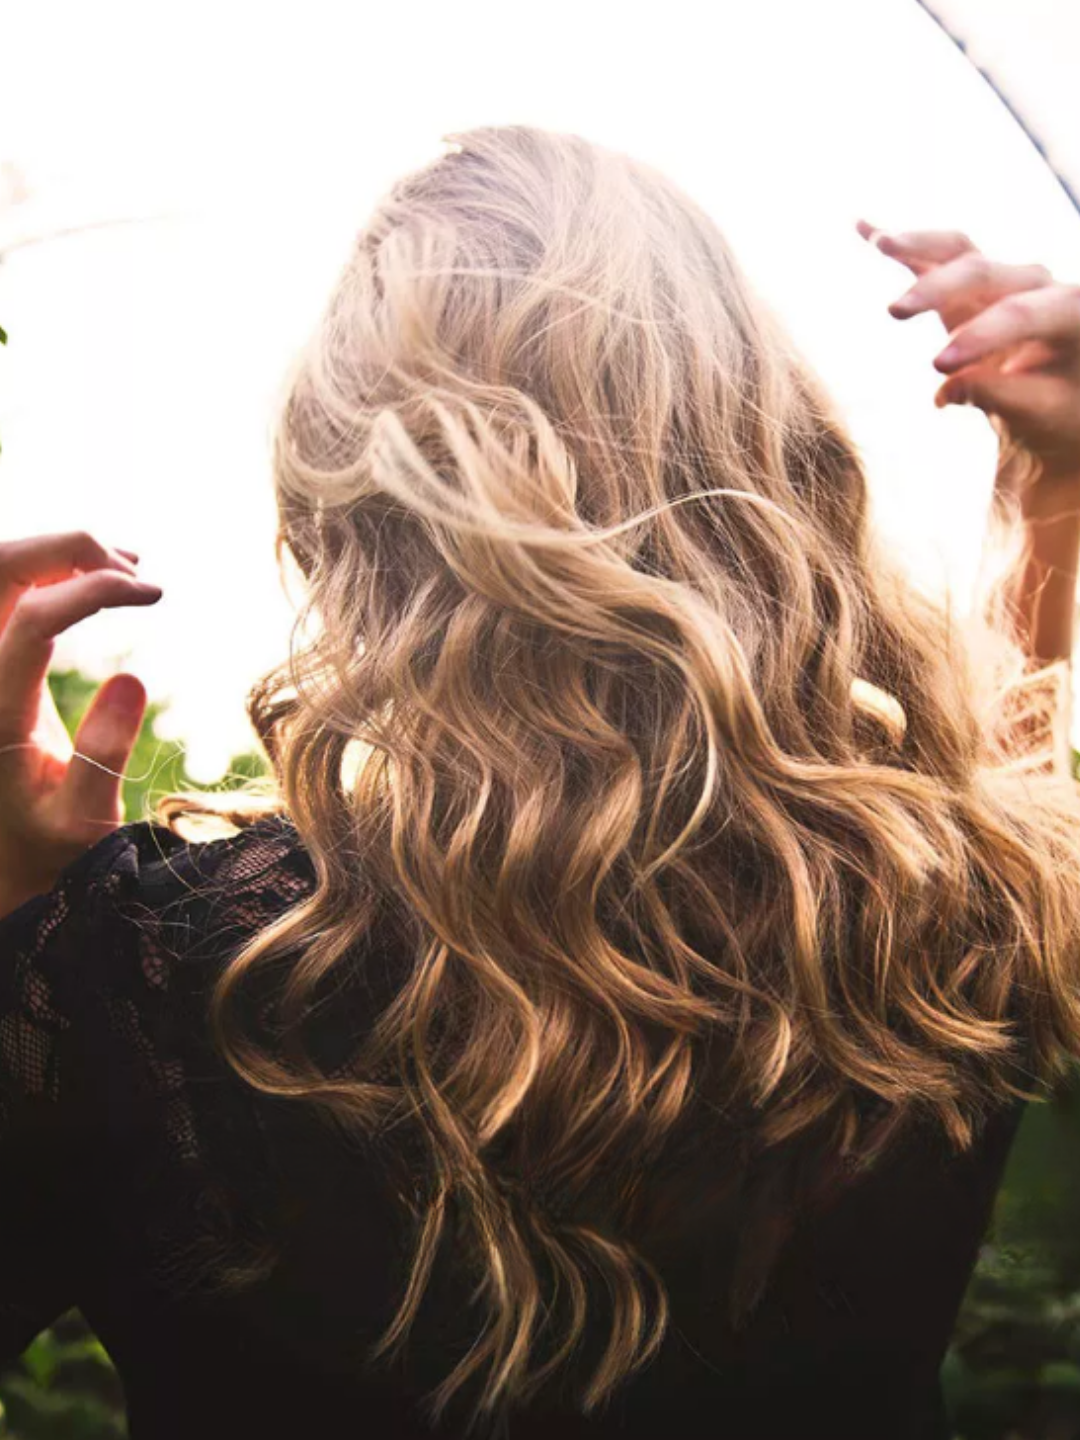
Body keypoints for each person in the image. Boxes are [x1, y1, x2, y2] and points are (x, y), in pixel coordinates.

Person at [2, 126, 1080, 1440]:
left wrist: (28, 924)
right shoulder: (965, 920)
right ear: (766, 453)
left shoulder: (152, 980)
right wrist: (1048, 491)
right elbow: (990, 804)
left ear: (345, 502)